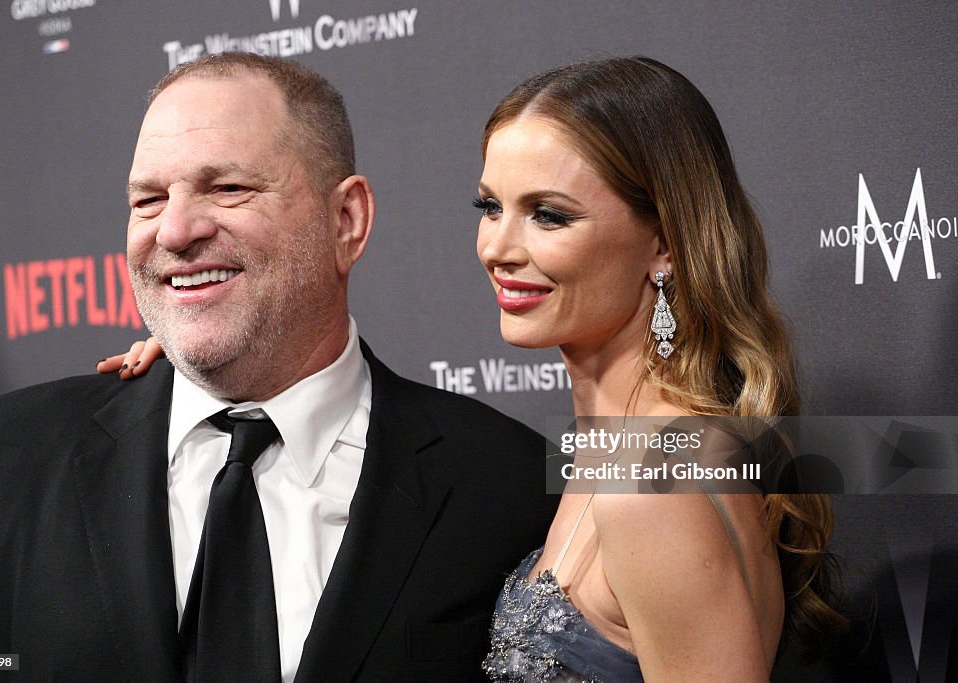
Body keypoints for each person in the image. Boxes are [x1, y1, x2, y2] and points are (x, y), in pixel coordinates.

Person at [106, 57, 847, 681]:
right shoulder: (635, 451)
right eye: (490, 206)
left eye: (550, 214)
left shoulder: (652, 484)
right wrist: (207, 351)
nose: (500, 246)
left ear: (664, 243)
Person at [0, 53, 557, 681]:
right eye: (148, 199)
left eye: (228, 188)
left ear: (347, 221)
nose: (174, 231)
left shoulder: (510, 484)